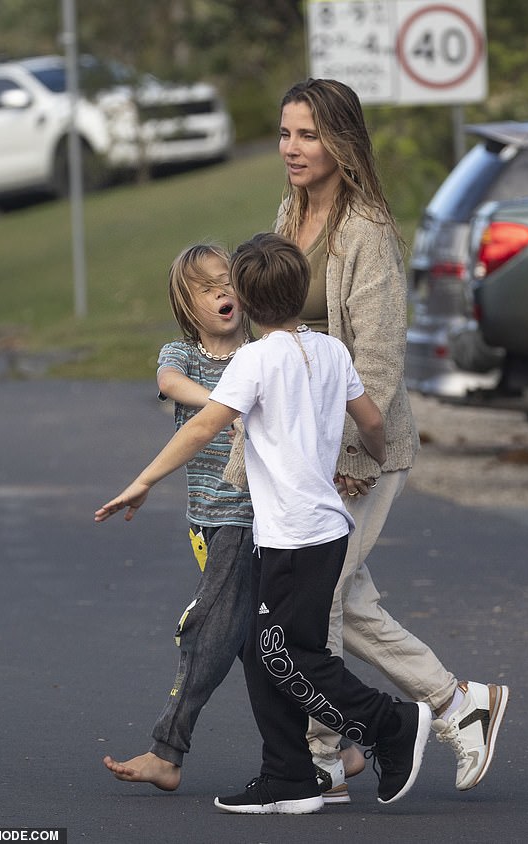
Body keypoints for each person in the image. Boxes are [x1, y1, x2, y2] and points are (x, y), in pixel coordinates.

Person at [96, 232, 432, 813]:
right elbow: (372, 420)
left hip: (294, 538)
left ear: (247, 300)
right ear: (302, 291)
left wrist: (144, 480)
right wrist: (372, 454)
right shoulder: (330, 350)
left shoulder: (253, 360)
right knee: (266, 648)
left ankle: (391, 725)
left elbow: (200, 428)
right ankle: (290, 777)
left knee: (287, 656)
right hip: (324, 531)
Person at [274, 78, 509, 798]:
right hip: (303, 445)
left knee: (322, 599)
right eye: (284, 133)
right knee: (346, 598)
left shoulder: (365, 227)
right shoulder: (291, 210)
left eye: (307, 135)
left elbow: (374, 359)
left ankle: (330, 747)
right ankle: (451, 704)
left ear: (341, 140)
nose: (291, 148)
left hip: (359, 449)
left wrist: (350, 455)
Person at [102, 243, 255, 791]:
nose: (222, 292)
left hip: (249, 517)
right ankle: (341, 745)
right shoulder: (183, 355)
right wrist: (224, 407)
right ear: (187, 307)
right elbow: (169, 384)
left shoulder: (259, 351)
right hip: (205, 522)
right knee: (259, 642)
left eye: (227, 280)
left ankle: (167, 751)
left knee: (205, 631)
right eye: (206, 288)